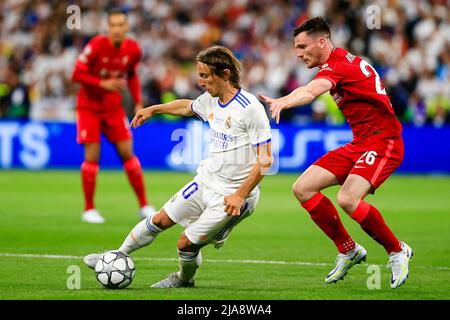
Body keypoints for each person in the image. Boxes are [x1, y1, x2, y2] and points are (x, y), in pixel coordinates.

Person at [83, 45, 273, 288]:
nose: (201, 82)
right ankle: (117, 255)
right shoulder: (211, 101)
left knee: (185, 244)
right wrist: (154, 109)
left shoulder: (250, 108)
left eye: (205, 76)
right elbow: (187, 106)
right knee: (160, 219)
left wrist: (239, 195)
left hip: (232, 196)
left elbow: (266, 160)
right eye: (199, 76)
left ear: (225, 74)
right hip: (206, 181)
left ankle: (184, 279)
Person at [259, 17, 412, 289]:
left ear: (322, 41)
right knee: (303, 188)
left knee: (348, 199)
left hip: (383, 142)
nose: (298, 52)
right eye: (296, 47)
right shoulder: (342, 62)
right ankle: (348, 249)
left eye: (303, 46)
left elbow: (311, 91)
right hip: (360, 143)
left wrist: (283, 101)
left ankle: (397, 250)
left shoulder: (337, 65)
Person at [71, 8, 155, 223]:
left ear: (126, 28)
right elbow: (76, 73)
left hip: (113, 108)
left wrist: (137, 101)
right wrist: (103, 83)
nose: (117, 29)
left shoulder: (133, 49)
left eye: (121, 25)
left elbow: (133, 75)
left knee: (128, 152)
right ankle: (89, 209)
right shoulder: (97, 45)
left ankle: (144, 205)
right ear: (108, 28)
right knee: (92, 156)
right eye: (113, 25)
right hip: (89, 107)